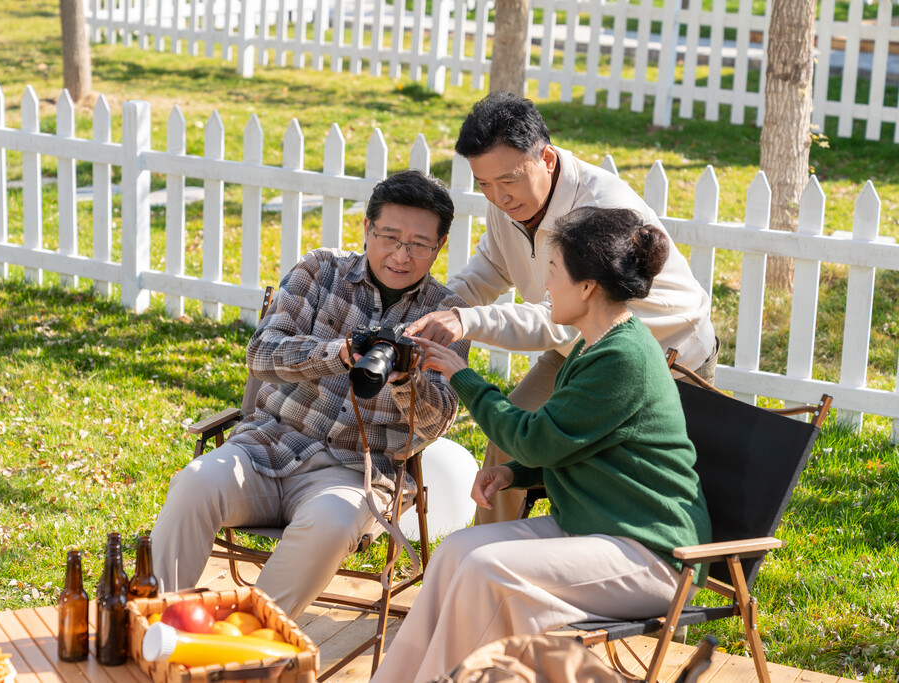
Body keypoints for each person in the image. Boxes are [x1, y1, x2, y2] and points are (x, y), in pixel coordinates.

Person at [370, 206, 712, 683]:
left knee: (487, 570)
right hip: (594, 529)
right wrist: (516, 474)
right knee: (455, 554)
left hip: (652, 556)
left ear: (587, 287)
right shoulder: (596, 345)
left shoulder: (623, 358)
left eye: (552, 271)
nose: (545, 285)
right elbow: (568, 441)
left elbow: (531, 439)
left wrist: (462, 376)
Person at [151, 169, 470, 620]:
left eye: (419, 244)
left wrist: (406, 381)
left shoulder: (446, 316)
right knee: (195, 483)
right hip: (268, 446)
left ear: (438, 247)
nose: (401, 255)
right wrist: (335, 353)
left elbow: (434, 426)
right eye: (389, 236)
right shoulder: (321, 270)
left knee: (332, 522)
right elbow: (260, 354)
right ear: (367, 228)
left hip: (354, 473)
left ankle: (249, 639)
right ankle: (156, 623)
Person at [406, 92, 718, 525]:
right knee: (510, 441)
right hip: (579, 345)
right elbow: (493, 265)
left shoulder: (600, 208)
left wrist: (464, 320)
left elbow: (552, 319)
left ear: (547, 158)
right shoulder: (509, 201)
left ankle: (661, 574)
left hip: (666, 355)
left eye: (508, 180)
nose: (497, 197)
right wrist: (435, 305)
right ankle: (490, 557)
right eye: (484, 184)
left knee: (639, 489)